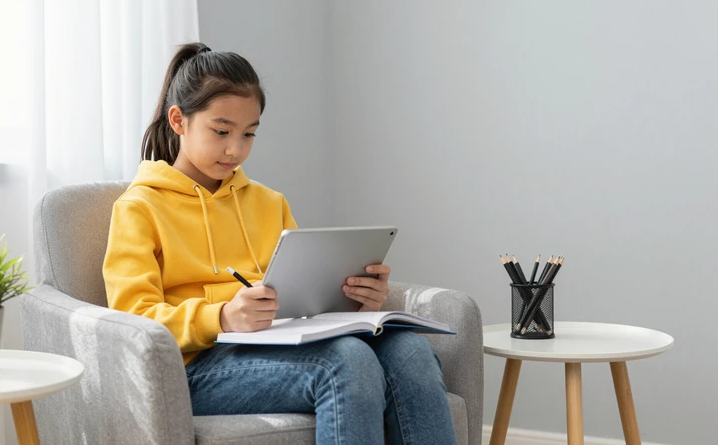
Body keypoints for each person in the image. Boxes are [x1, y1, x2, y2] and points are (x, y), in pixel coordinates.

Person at [102, 42, 457, 444]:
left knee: (409, 352)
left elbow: (300, 298)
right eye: (221, 131)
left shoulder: (270, 203)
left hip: (277, 347)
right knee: (346, 362)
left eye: (249, 134)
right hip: (195, 368)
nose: (235, 149)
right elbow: (132, 317)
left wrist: (357, 300)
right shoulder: (139, 207)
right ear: (179, 120)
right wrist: (219, 317)